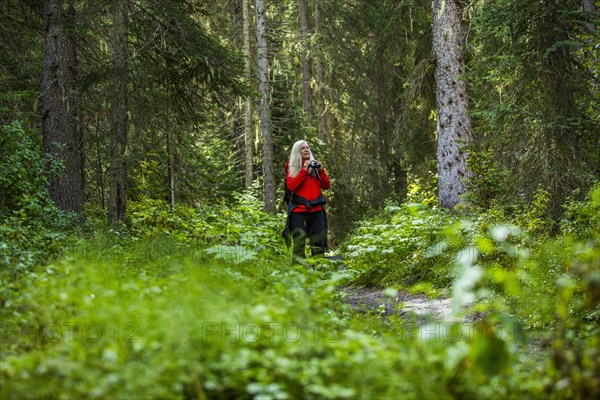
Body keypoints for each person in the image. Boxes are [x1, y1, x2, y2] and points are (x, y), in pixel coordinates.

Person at [283, 140, 331, 263]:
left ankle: (320, 272)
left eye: (307, 147)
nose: (306, 150)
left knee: (318, 243)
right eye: (302, 148)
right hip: (298, 211)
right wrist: (304, 170)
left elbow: (326, 186)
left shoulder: (315, 168)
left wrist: (321, 170)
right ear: (297, 151)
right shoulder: (292, 166)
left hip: (316, 210)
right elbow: (291, 186)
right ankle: (299, 274)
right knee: (299, 243)